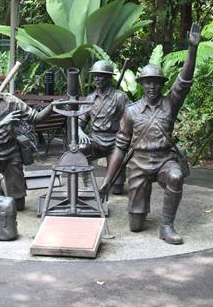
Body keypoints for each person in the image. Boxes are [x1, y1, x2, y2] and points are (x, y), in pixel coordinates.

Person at [100, 22, 200, 244]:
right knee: (135, 225)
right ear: (142, 84)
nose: (152, 87)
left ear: (161, 85)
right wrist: (108, 180)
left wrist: (192, 49)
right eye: (148, 83)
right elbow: (120, 147)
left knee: (176, 176)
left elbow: (183, 82)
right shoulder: (131, 111)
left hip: (165, 160)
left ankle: (166, 226)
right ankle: (139, 211)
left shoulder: (170, 104)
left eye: (156, 83)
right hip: (139, 164)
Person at [0, 66, 54, 211]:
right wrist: (2, 123)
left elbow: (35, 118)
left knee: (18, 206)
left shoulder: (10, 101)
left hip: (11, 153)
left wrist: (51, 107)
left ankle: (2, 183)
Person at [77, 60, 129, 194]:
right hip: (96, 140)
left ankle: (114, 180)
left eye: (100, 75)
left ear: (109, 77)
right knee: (82, 148)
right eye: (95, 76)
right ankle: (89, 184)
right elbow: (79, 122)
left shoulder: (120, 97)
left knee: (117, 189)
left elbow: (132, 117)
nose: (96, 79)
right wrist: (80, 131)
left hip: (115, 141)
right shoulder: (90, 98)